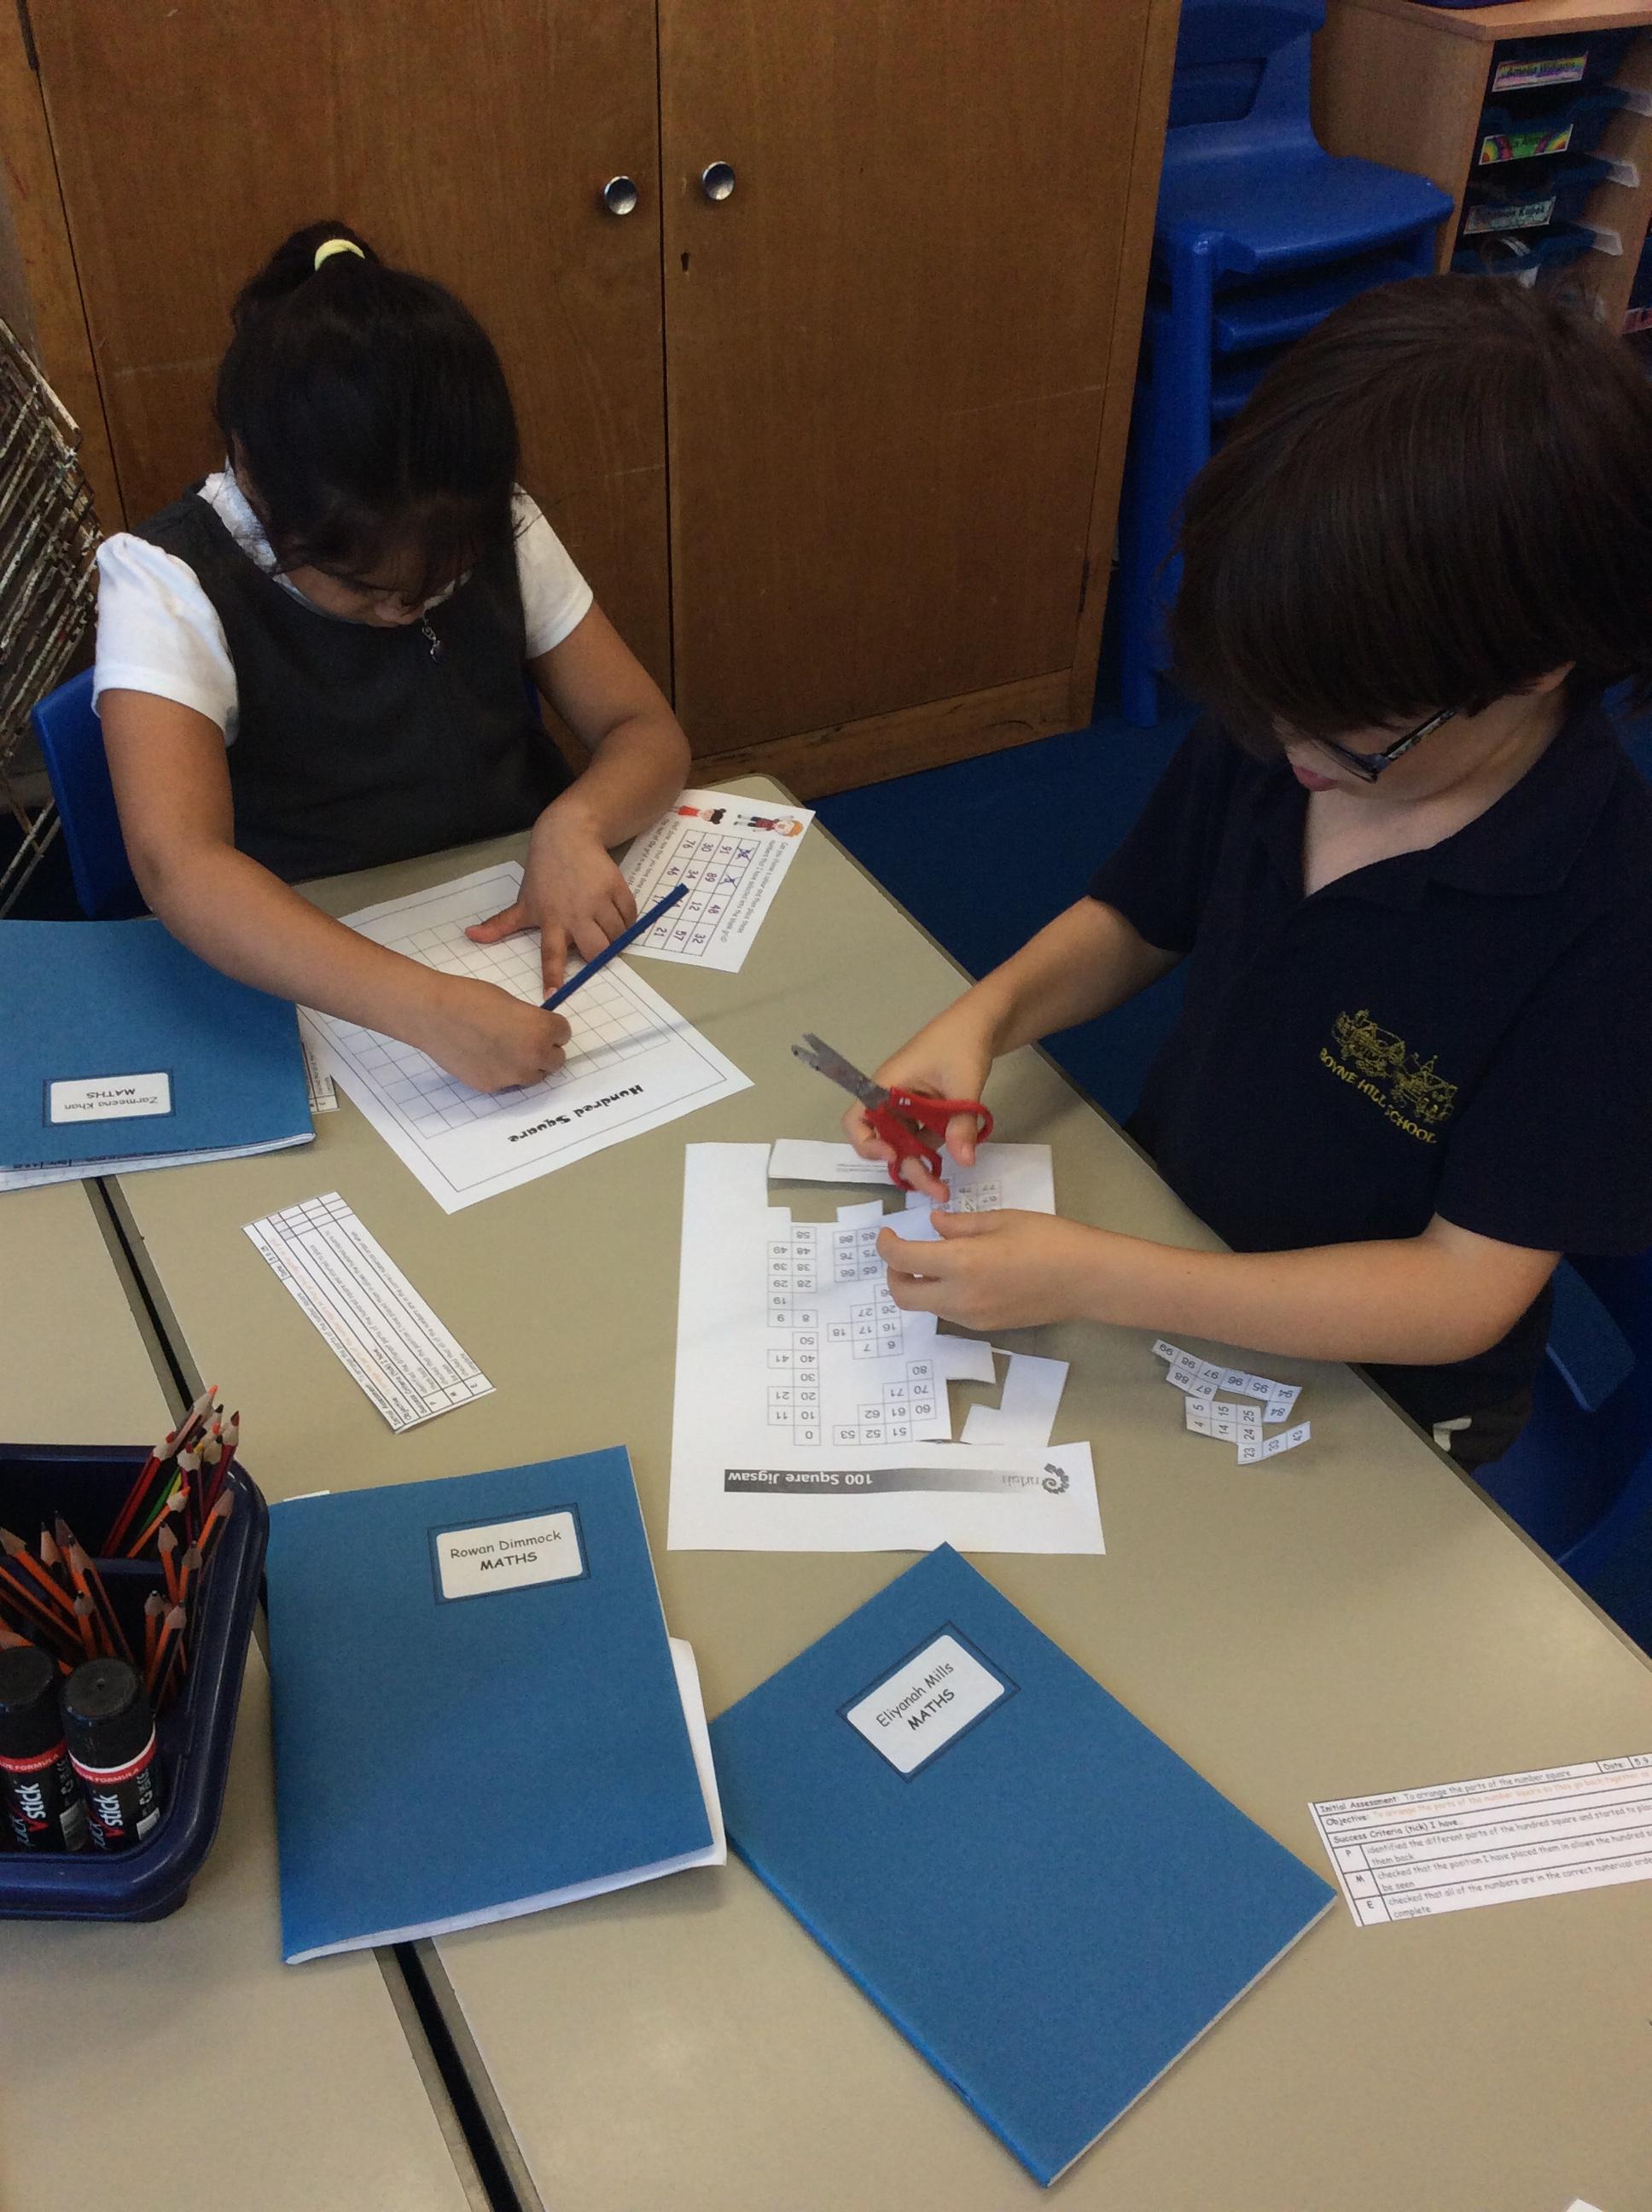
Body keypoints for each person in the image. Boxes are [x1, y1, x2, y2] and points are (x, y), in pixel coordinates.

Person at [845, 276, 1652, 1468]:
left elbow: (1461, 1291)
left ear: (1538, 665)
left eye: (1349, 740)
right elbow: (1139, 915)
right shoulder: (1301, 704)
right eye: (1267, 713)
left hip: (1378, 1386)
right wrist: (986, 1019)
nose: (1290, 758)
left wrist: (1106, 1278)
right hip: (1173, 1227)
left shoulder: (1609, 918)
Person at [95, 221, 690, 1092]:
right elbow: (179, 866)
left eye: (444, 582)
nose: (406, 610)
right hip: (313, 965)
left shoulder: (498, 520)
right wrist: (425, 1008)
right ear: (252, 475)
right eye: (365, 589)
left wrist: (576, 823)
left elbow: (645, 730)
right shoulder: (169, 580)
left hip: (506, 913)